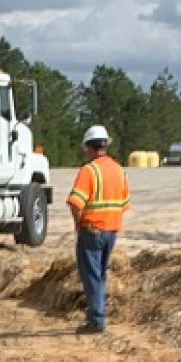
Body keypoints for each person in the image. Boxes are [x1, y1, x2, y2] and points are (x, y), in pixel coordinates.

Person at [66, 125, 131, 334]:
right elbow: (124, 204)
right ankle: (98, 314)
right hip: (112, 230)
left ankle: (96, 319)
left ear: (89, 147)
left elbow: (76, 202)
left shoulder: (89, 170)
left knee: (91, 275)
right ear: (105, 145)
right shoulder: (119, 170)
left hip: (92, 230)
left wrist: (78, 224)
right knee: (100, 274)